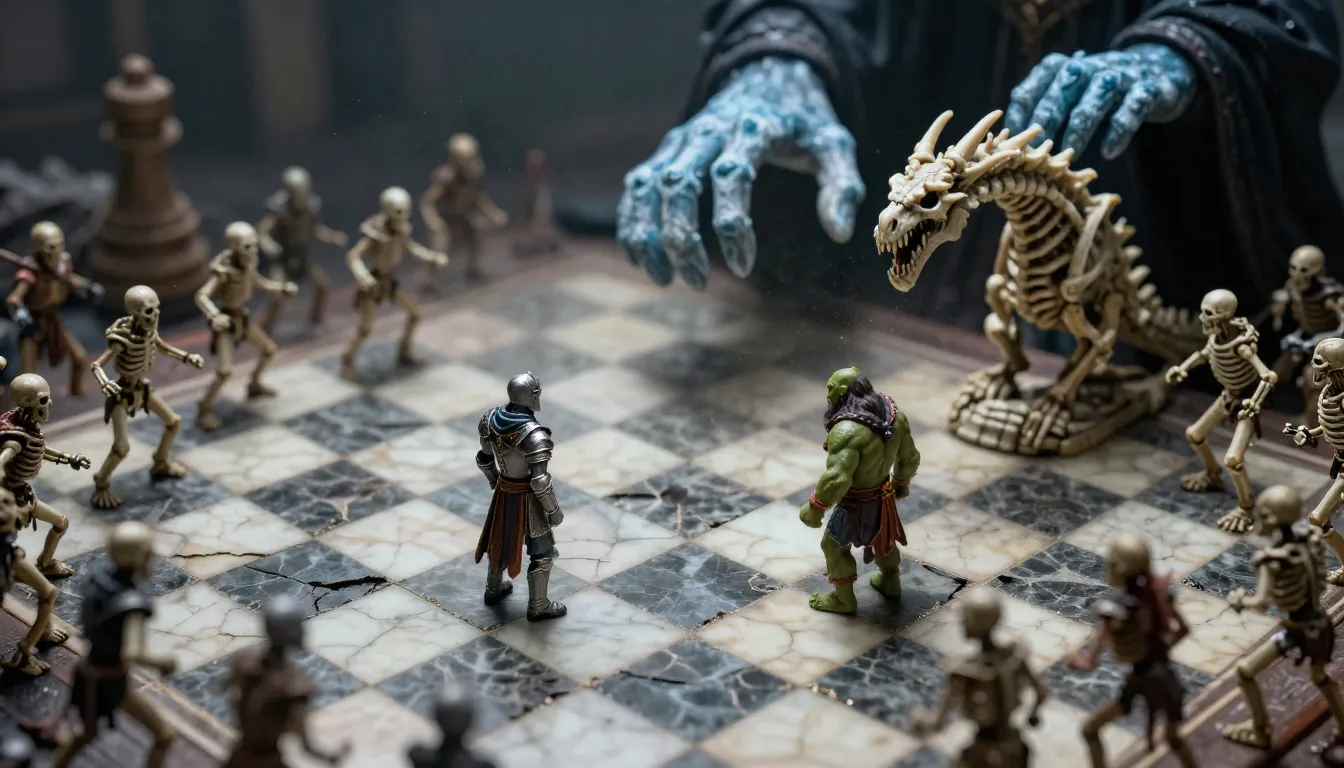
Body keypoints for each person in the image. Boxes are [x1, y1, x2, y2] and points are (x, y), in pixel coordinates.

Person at [618, 0, 1343, 333]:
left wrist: (1188, 45)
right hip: (900, 316)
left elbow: (1291, 17)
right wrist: (780, 55)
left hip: (1144, 291)